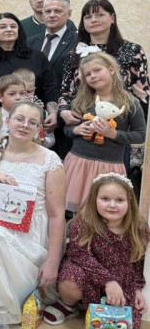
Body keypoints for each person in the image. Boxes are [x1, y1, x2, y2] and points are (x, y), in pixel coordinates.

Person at [0, 97, 66, 329]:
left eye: (32, 122)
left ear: (39, 129)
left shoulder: (50, 160)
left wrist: (53, 261)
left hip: (32, 231)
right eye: (19, 119)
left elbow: (56, 214)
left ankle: (11, 303)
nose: (24, 125)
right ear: (8, 121)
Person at [43, 172, 147, 329]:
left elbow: (138, 259)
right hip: (86, 270)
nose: (112, 205)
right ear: (94, 199)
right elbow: (80, 255)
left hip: (121, 277)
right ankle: (68, 304)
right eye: (105, 199)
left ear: (130, 202)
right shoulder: (82, 223)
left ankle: (95, 307)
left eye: (119, 200)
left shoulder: (139, 228)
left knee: (125, 327)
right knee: (71, 279)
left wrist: (137, 289)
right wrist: (108, 281)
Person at [63, 52, 145, 213]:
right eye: (88, 74)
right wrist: (76, 130)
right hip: (78, 163)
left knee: (101, 213)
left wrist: (113, 134)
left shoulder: (130, 103)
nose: (92, 76)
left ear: (111, 69)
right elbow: (67, 129)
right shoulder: (82, 100)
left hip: (109, 166)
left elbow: (140, 135)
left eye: (97, 70)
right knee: (76, 213)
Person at [58, 0, 149, 128]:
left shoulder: (133, 50)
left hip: (121, 124)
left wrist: (140, 128)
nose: (93, 20)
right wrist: (64, 110)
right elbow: (66, 92)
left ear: (112, 18)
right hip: (84, 124)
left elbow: (142, 94)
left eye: (100, 15)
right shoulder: (74, 54)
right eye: (88, 17)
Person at [0, 13, 58, 129]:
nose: (9, 29)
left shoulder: (37, 57)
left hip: (32, 123)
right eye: (3, 27)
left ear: (19, 30)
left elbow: (50, 87)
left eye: (13, 26)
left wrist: (53, 113)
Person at [27, 0, 77, 88]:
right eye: (48, 11)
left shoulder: (78, 41)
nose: (52, 15)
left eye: (57, 11)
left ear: (69, 14)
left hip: (64, 96)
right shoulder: (30, 42)